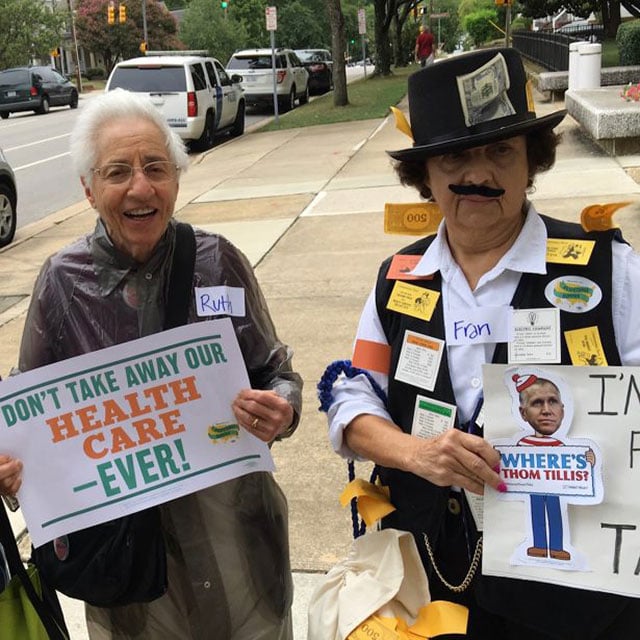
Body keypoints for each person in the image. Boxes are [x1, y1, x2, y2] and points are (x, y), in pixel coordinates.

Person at [325, 48, 640, 639]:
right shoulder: (398, 277)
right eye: (455, 156)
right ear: (425, 174)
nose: (479, 174)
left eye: (500, 151)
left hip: (577, 600)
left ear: (532, 162)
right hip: (431, 583)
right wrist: (415, 454)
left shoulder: (610, 271)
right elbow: (354, 393)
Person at [0, 88, 302, 639]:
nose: (141, 187)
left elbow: (276, 371)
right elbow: (28, 419)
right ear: (89, 191)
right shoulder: (62, 283)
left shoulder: (218, 263)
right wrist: (12, 465)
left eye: (155, 167)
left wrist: (281, 407)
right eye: (118, 172)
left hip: (234, 541)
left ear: (176, 181)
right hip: (128, 560)